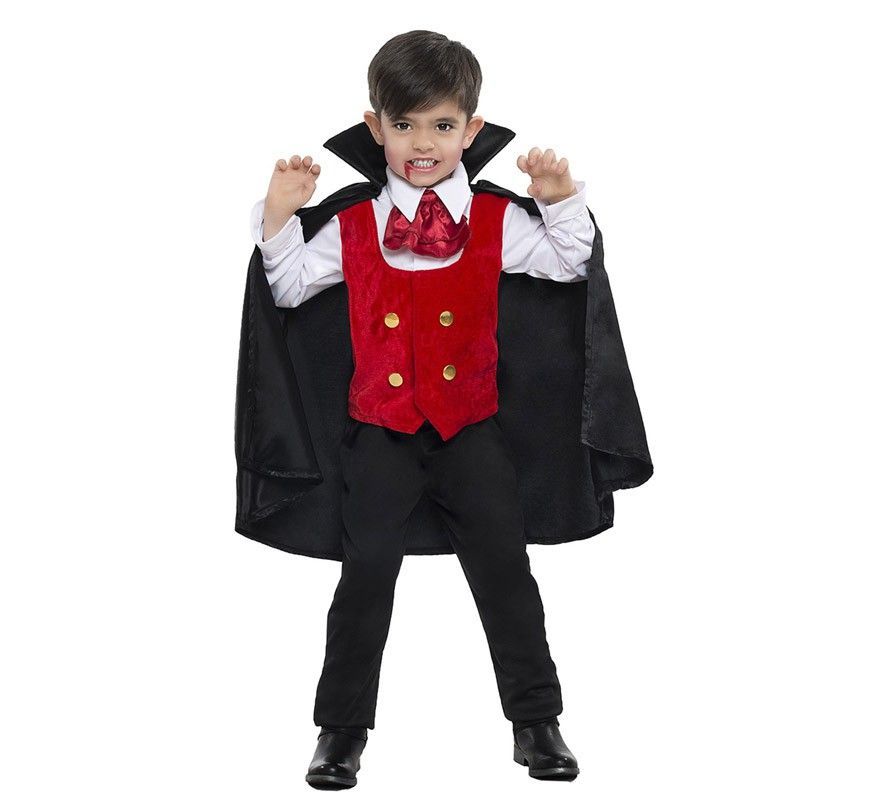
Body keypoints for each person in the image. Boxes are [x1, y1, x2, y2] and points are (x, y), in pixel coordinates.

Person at [238, 29, 653, 790]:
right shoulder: (353, 225)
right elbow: (287, 287)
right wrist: (278, 217)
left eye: (441, 125)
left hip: (472, 432)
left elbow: (572, 265)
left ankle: (537, 723)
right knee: (365, 579)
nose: (422, 144)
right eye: (404, 125)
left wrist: (560, 201)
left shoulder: (497, 221)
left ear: (471, 127)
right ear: (375, 128)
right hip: (379, 434)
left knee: (505, 574)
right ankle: (341, 732)